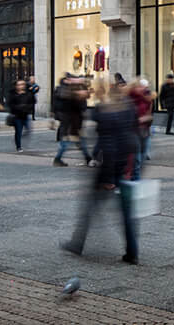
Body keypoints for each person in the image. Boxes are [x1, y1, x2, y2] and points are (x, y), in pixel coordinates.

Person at [63, 73, 140, 264]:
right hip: (125, 165)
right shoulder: (126, 106)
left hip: (109, 169)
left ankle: (77, 243)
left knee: (90, 207)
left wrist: (108, 178)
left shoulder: (103, 110)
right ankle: (132, 252)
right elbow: (132, 137)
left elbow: (108, 145)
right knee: (126, 212)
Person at [54, 72, 88, 166]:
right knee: (67, 142)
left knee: (78, 142)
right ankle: (58, 159)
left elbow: (82, 103)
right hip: (69, 121)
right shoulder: (63, 90)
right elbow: (64, 98)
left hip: (75, 121)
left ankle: (88, 158)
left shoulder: (74, 89)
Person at [129, 76, 155, 173]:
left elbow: (149, 113)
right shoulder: (130, 99)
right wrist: (140, 120)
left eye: (143, 87)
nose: (143, 89)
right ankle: (134, 179)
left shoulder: (146, 98)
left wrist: (148, 118)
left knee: (142, 158)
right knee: (137, 160)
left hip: (145, 131)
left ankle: (135, 178)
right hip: (133, 132)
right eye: (139, 87)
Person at [7, 77, 37, 152]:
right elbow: (10, 104)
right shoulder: (13, 94)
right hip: (17, 116)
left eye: (23, 84)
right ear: (16, 86)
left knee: (28, 130)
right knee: (18, 131)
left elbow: (33, 101)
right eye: (19, 84)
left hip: (26, 115)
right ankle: (18, 146)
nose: (21, 86)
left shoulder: (28, 93)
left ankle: (19, 141)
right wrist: (19, 107)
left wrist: (28, 107)